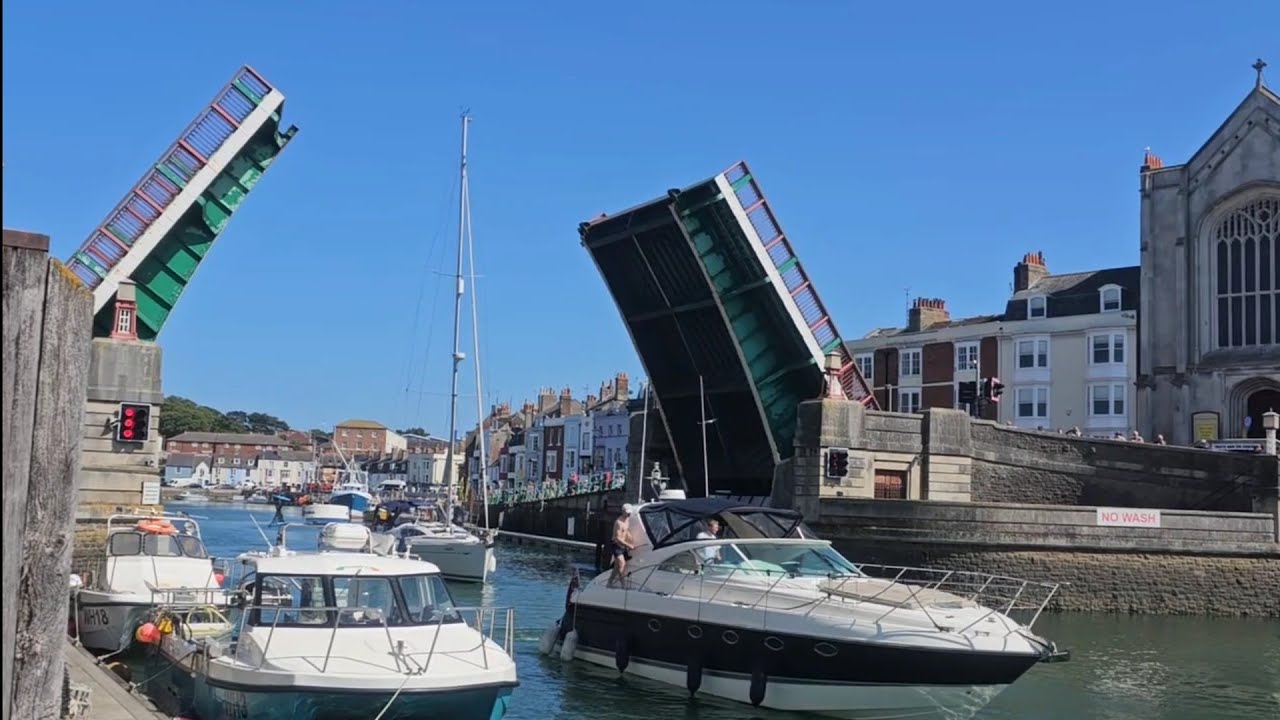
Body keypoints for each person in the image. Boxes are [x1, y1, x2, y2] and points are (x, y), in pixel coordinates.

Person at [608, 505, 635, 588]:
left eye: (629, 513)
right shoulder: (618, 523)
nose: (628, 515)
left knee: (617, 565)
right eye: (627, 513)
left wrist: (631, 540)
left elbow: (626, 532)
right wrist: (628, 545)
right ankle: (623, 584)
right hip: (616, 544)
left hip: (623, 546)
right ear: (623, 512)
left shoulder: (627, 521)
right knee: (621, 563)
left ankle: (609, 582)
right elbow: (618, 538)